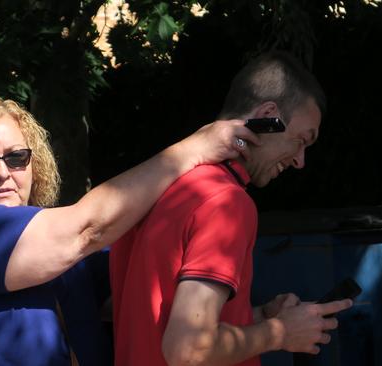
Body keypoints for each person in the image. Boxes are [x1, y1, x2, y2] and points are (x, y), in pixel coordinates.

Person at [0, 97, 258, 366]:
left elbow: (149, 308)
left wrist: (263, 321)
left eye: (17, 157)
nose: (3, 173)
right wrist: (196, 149)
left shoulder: (76, 260)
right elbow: (86, 229)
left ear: (35, 164)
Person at [109, 51, 353, 366]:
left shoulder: (157, 188)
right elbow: (188, 349)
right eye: (301, 140)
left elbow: (156, 320)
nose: (300, 160)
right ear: (268, 115)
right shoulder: (227, 204)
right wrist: (280, 332)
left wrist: (262, 317)